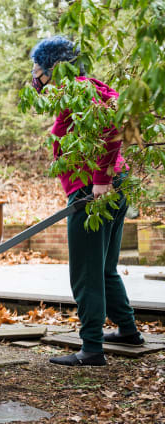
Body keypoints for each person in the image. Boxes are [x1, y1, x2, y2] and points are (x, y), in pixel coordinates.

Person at [29, 36, 145, 367]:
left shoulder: (76, 93)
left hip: (93, 191)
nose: (34, 77)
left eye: (38, 69)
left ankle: (91, 348)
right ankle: (127, 331)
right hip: (110, 185)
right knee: (105, 267)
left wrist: (100, 181)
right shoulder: (91, 85)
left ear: (54, 69)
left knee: (86, 271)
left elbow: (112, 128)